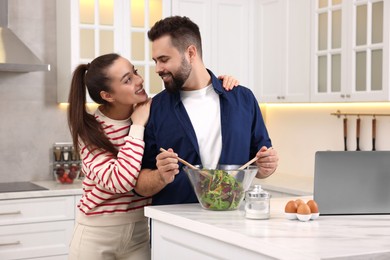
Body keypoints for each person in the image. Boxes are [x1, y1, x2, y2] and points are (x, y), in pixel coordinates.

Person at [67, 53, 239, 260]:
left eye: (135, 72)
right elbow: (121, 181)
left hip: (140, 231)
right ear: (108, 96)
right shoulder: (91, 131)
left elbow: (192, 99)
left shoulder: (151, 110)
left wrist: (214, 87)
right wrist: (137, 126)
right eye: (127, 80)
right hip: (96, 235)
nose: (139, 80)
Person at [134, 16, 279, 206]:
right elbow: (139, 184)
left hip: (231, 221)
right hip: (174, 225)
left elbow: (259, 164)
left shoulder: (243, 99)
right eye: (156, 61)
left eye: (164, 60)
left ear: (191, 53)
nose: (158, 69)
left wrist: (267, 166)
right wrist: (160, 176)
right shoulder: (154, 109)